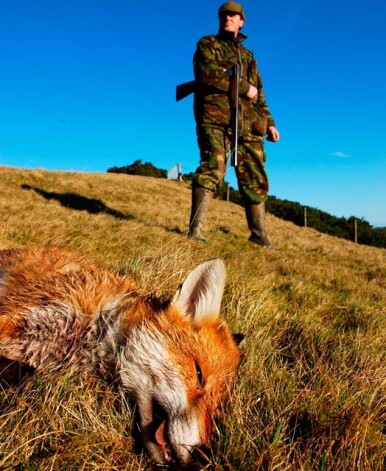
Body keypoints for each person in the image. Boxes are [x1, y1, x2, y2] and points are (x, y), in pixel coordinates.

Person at [188, 1, 280, 247]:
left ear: (241, 21)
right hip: (215, 119)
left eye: (233, 15)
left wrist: (269, 123)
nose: (228, 18)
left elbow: (259, 93)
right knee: (213, 168)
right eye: (224, 15)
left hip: (249, 125)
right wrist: (241, 85)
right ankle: (195, 231)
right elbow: (206, 74)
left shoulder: (249, 56)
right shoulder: (208, 44)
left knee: (254, 176)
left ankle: (259, 236)